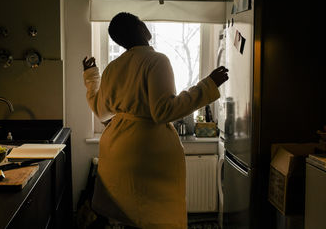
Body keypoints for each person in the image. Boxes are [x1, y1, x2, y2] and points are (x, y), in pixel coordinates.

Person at [82, 12, 228, 229]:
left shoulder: (114, 67)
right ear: (139, 28)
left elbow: (102, 113)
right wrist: (208, 85)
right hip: (146, 154)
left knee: (129, 218)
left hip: (116, 152)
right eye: (141, 21)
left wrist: (92, 76)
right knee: (155, 220)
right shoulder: (156, 60)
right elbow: (164, 111)